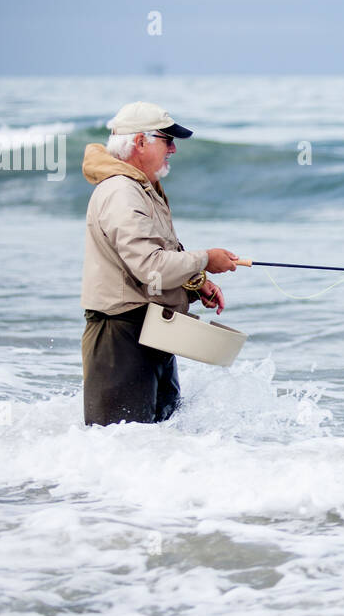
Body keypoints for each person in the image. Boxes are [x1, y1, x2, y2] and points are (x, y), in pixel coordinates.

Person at [80, 101, 247, 425]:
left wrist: (195, 285)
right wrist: (205, 259)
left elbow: (149, 262)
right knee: (119, 453)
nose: (173, 148)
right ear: (140, 142)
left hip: (150, 331)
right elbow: (151, 266)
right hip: (121, 339)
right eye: (166, 139)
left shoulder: (140, 189)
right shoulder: (121, 192)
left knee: (156, 448)